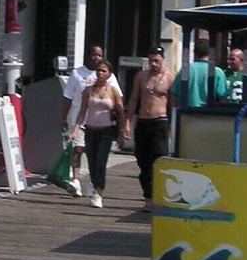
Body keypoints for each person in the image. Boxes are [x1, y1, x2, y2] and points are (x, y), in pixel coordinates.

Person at [61, 45, 120, 197]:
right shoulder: (77, 74)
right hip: (80, 118)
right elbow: (68, 97)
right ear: (88, 55)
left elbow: (118, 99)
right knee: (77, 150)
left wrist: (119, 124)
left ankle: (95, 185)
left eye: (99, 55)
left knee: (97, 159)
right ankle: (76, 180)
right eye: (93, 54)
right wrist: (63, 117)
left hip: (101, 123)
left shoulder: (109, 76)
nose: (96, 58)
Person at [125, 46, 173, 209]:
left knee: (159, 159)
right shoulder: (141, 76)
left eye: (157, 61)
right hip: (143, 121)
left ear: (162, 60)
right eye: (151, 60)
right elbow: (133, 99)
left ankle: (159, 195)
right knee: (143, 161)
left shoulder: (169, 78)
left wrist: (172, 126)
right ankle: (148, 196)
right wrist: (127, 121)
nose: (154, 64)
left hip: (160, 122)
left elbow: (173, 104)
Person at [75, 61, 126, 208]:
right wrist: (76, 129)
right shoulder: (88, 90)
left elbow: (121, 112)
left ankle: (98, 193)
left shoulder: (113, 91)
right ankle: (94, 183)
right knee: (91, 162)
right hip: (91, 129)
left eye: (104, 71)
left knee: (101, 163)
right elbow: (82, 111)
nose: (100, 73)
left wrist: (122, 132)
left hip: (106, 131)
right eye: (98, 70)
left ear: (109, 73)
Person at [173, 39, 228, 108]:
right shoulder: (218, 72)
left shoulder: (185, 70)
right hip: (209, 114)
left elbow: (174, 94)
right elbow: (222, 96)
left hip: (187, 113)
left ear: (194, 52)